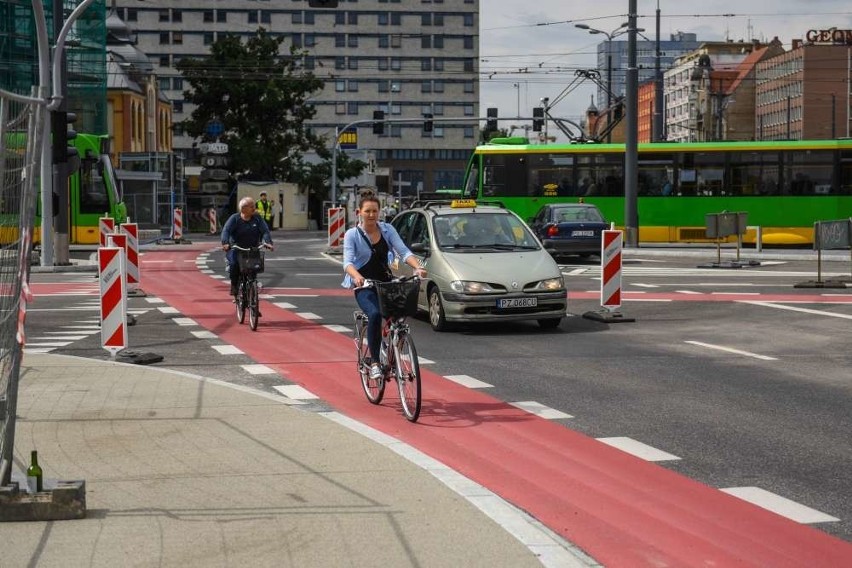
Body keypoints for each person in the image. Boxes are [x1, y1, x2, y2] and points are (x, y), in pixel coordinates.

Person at [342, 196, 426, 380]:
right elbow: (347, 262)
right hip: (364, 286)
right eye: (367, 211)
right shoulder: (352, 235)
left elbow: (403, 252)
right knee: (373, 315)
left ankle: (390, 346)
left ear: (379, 212)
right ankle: (374, 362)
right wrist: (357, 277)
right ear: (359, 213)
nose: (371, 215)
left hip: (386, 283)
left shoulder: (388, 230)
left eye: (374, 211)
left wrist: (417, 267)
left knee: (398, 316)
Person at [221, 197, 273, 297]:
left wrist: (268, 242)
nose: (254, 208)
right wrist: (225, 243)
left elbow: (265, 231)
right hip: (236, 248)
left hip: (252, 249)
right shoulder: (234, 219)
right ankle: (234, 285)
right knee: (234, 264)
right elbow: (226, 231)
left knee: (254, 268)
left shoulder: (257, 218)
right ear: (243, 209)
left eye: (254, 206)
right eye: (252, 206)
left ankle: (253, 304)